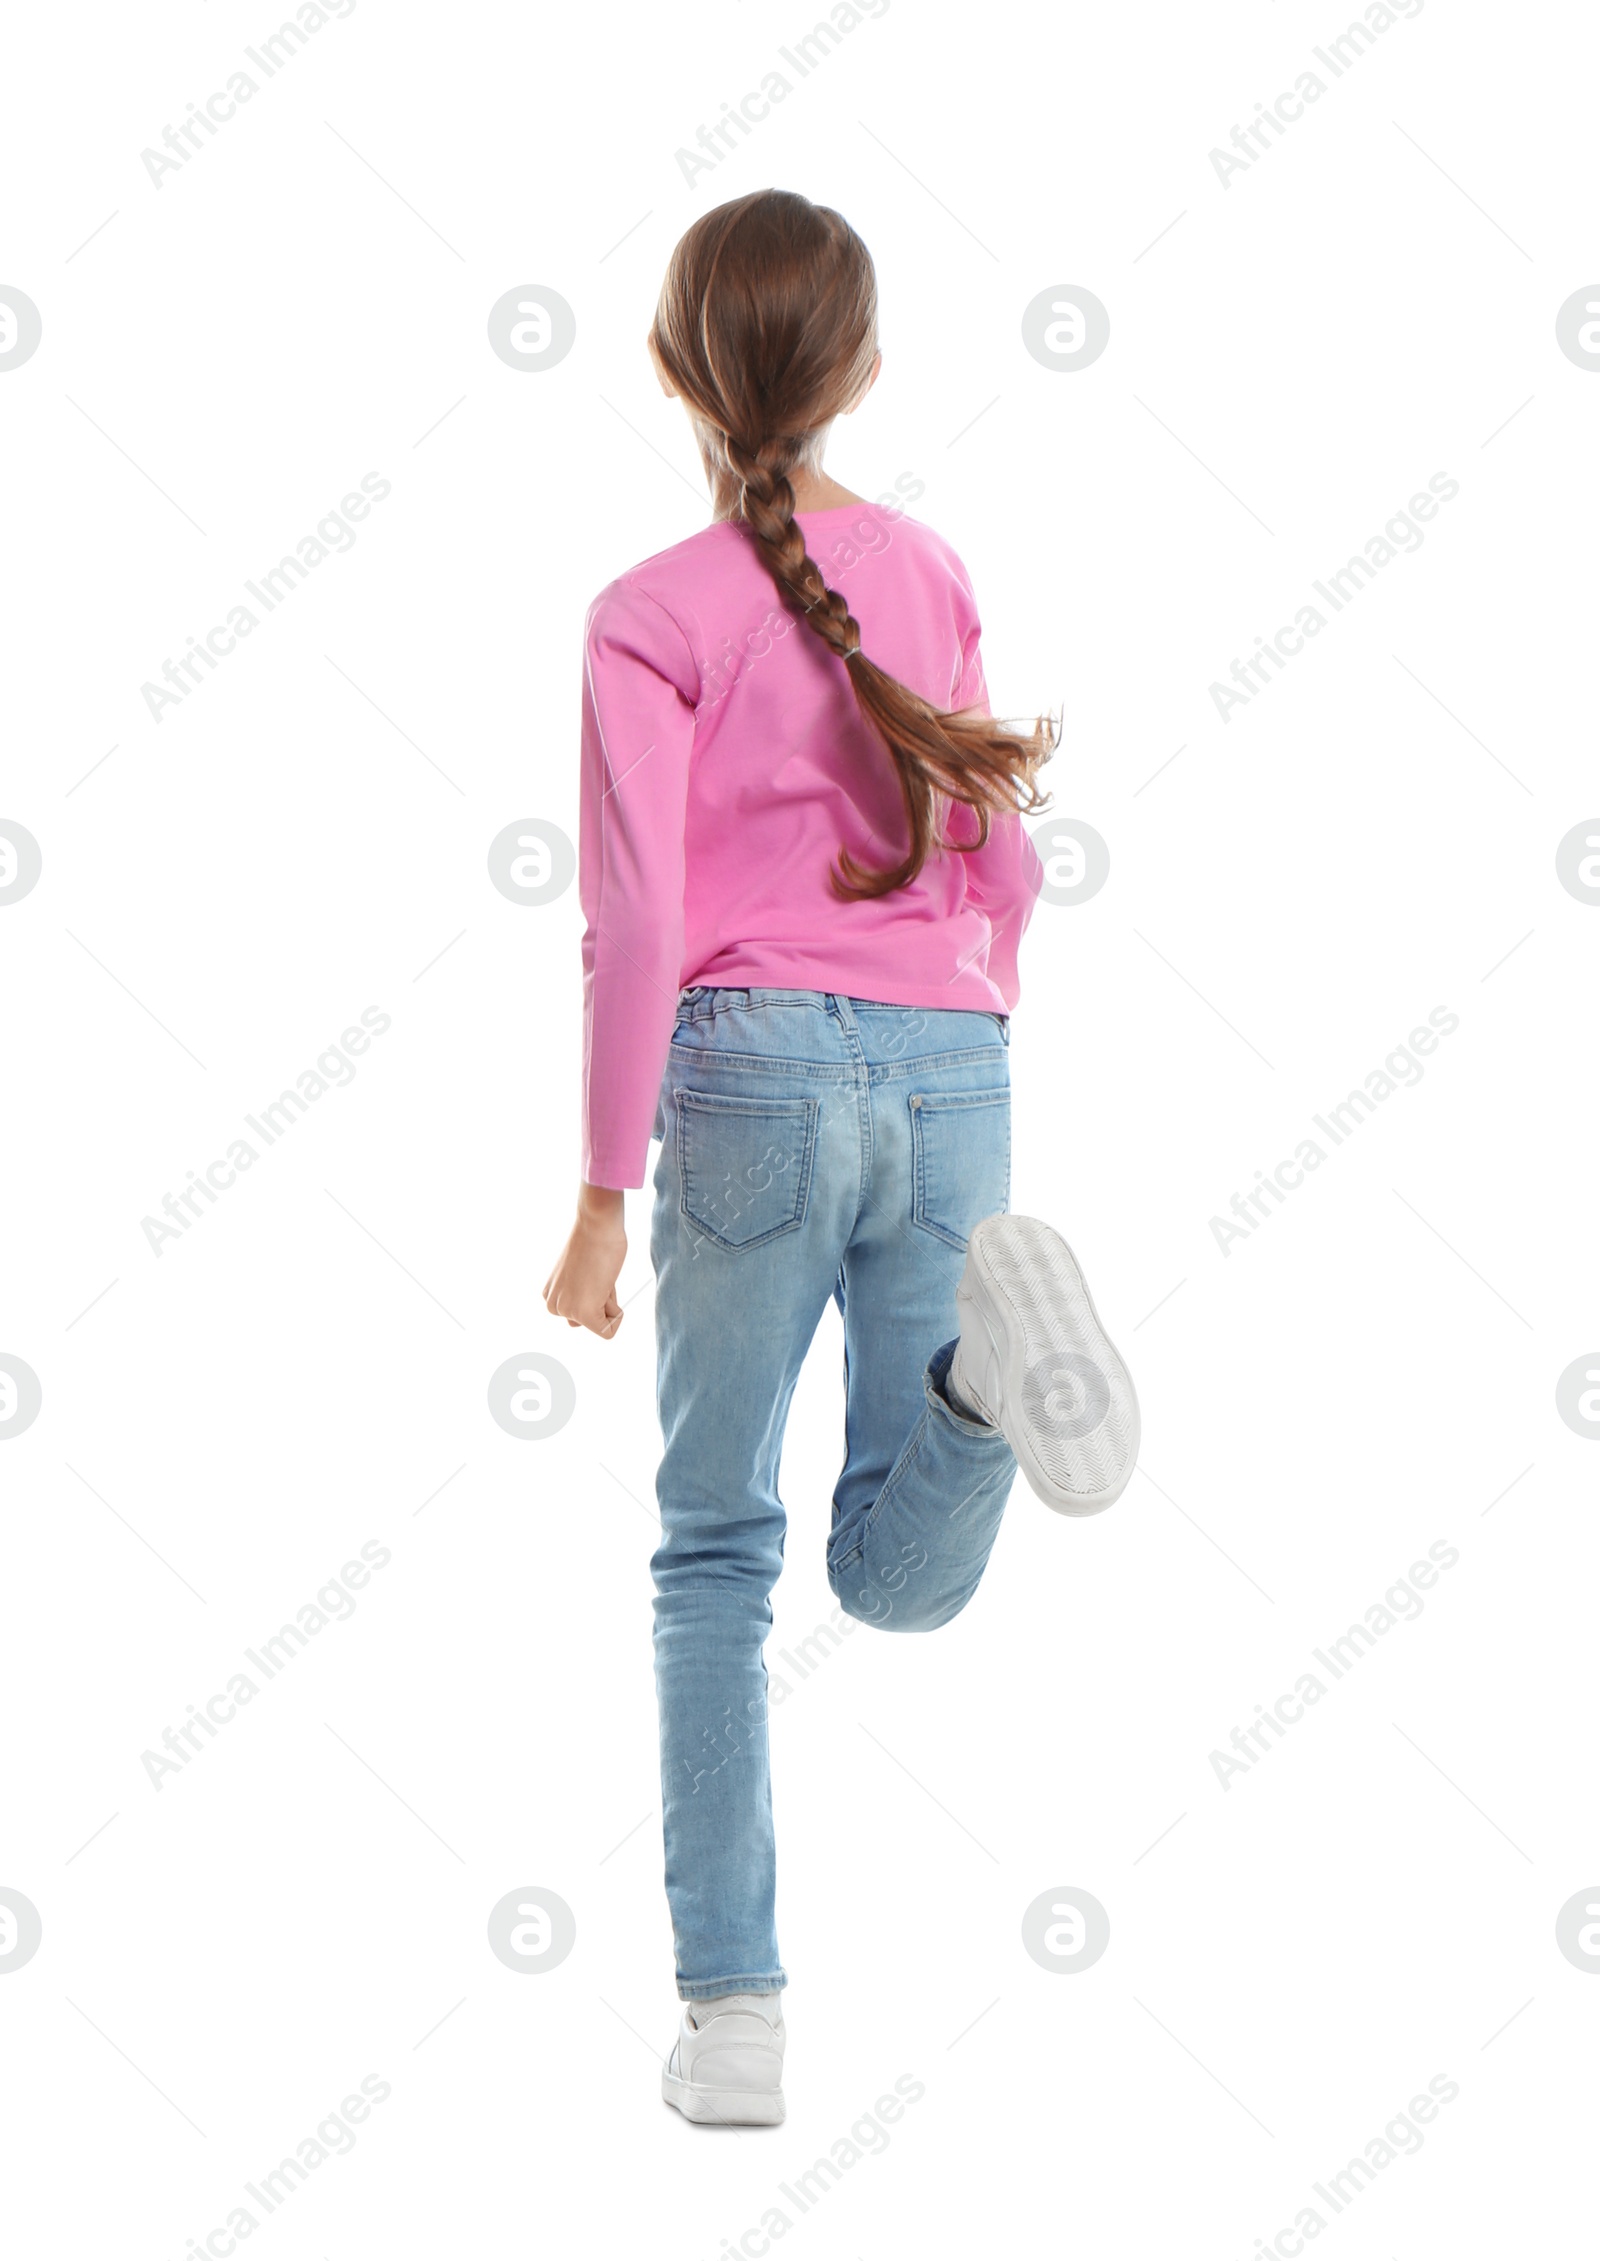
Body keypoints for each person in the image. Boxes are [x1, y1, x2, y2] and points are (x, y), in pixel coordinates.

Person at [542, 187, 1139, 2127]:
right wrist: (967, 1007)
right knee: (898, 1577)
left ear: (668, 367)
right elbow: (1005, 845)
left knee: (717, 1551)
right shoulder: (936, 564)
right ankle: (976, 1382)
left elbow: (635, 920)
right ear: (866, 368)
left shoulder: (648, 614)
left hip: (745, 1081)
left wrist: (600, 1188)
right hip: (953, 1065)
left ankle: (734, 2025)